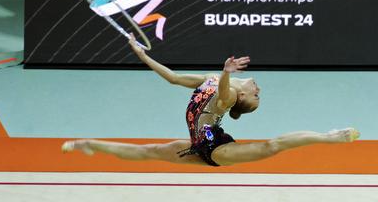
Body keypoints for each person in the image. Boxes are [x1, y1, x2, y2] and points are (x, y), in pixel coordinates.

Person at [62, 33, 360, 166]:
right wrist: (142, 55)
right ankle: (88, 144)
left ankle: (330, 136)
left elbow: (222, 95)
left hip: (217, 149)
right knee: (148, 152)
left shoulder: (226, 95)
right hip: (196, 147)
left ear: (240, 95)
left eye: (256, 94)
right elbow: (174, 78)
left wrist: (227, 72)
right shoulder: (212, 81)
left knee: (272, 146)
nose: (258, 88)